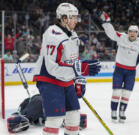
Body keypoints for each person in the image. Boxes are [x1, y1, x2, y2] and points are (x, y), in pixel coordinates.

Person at [33, 3, 101, 135]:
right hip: (49, 79)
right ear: (64, 18)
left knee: (74, 116)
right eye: (74, 17)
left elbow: (72, 61)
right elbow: (53, 68)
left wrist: (78, 79)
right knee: (55, 119)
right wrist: (81, 69)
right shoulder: (53, 35)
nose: (77, 20)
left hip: (65, 79)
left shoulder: (72, 35)